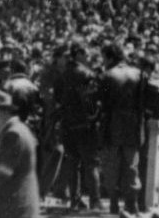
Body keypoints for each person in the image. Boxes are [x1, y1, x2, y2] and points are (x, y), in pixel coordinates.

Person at [98, 43, 145, 215]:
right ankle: (132, 205)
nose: (103, 61)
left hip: (112, 126)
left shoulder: (107, 75)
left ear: (110, 57)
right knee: (132, 166)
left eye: (104, 57)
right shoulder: (139, 74)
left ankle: (113, 204)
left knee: (111, 166)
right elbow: (142, 103)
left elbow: (102, 103)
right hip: (133, 126)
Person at [55, 44, 101, 211]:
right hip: (85, 126)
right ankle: (95, 201)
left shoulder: (62, 75)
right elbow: (93, 101)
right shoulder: (87, 74)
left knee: (73, 163)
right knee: (91, 163)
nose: (88, 57)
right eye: (86, 53)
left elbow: (58, 99)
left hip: (68, 125)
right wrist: (93, 118)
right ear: (79, 54)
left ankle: (75, 200)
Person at [0, 90, 39, 218]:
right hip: (19, 205)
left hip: (14, 207)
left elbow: (3, 173)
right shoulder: (19, 129)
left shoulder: (12, 135)